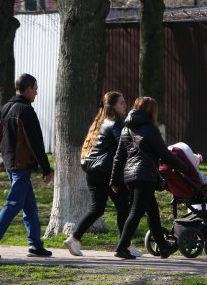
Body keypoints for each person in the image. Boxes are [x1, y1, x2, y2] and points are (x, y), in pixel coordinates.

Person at [0, 73, 54, 260]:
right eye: (35, 89)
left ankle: (35, 245)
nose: (36, 93)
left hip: (11, 163)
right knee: (14, 203)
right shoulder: (25, 111)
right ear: (28, 90)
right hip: (21, 165)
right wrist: (46, 169)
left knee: (30, 206)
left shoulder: (5, 108)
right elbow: (36, 143)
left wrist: (8, 153)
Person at [63, 92, 142, 257]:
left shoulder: (99, 123)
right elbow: (126, 146)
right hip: (107, 172)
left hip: (92, 172)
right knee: (123, 207)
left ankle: (74, 238)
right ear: (113, 106)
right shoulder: (116, 123)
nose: (125, 105)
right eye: (121, 103)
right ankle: (125, 245)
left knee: (97, 208)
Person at [110, 97, 188, 259]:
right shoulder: (150, 129)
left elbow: (119, 157)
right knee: (136, 212)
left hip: (130, 177)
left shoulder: (126, 129)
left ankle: (163, 246)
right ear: (152, 111)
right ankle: (122, 247)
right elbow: (164, 154)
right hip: (145, 176)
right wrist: (184, 167)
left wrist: (114, 179)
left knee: (152, 212)